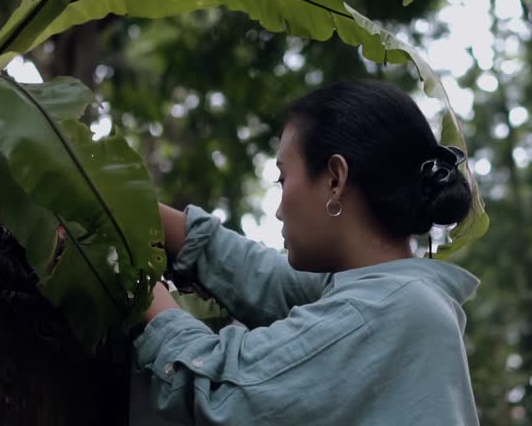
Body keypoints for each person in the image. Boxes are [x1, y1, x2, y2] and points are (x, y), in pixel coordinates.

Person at [135, 79, 481, 425]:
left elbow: (222, 396)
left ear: (335, 179)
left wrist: (139, 282)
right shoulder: (395, 294)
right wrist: (133, 209)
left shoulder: (380, 311)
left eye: (282, 179)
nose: (279, 210)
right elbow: (265, 278)